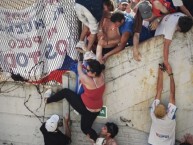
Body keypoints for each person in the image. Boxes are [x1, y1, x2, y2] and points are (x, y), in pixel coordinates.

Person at [44, 59, 105, 144]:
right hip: (97, 109)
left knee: (66, 92)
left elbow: (79, 70)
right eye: (86, 69)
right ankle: (97, 141)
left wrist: (80, 62)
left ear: (94, 73)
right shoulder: (101, 75)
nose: (86, 71)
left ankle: (48, 100)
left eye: (88, 70)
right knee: (85, 128)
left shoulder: (87, 80)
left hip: (86, 109)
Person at [148, 63, 177, 145]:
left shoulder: (154, 115)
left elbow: (159, 90)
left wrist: (160, 72)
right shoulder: (154, 114)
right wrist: (170, 74)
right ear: (167, 111)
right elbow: (171, 94)